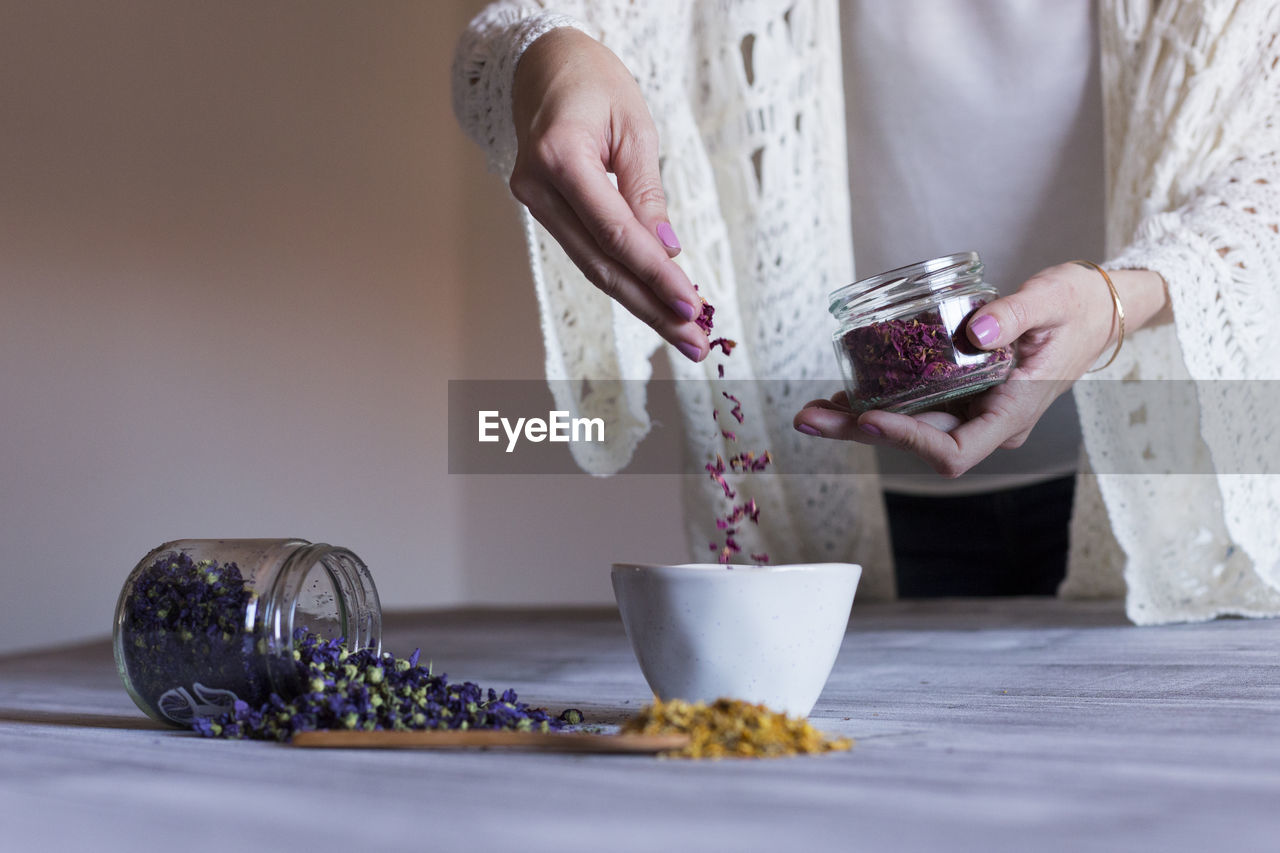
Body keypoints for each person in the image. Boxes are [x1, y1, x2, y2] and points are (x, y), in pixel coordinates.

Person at [452, 0, 1280, 623]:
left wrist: (1120, 298)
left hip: (1158, 517)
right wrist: (553, 58)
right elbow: (520, 30)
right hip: (820, 513)